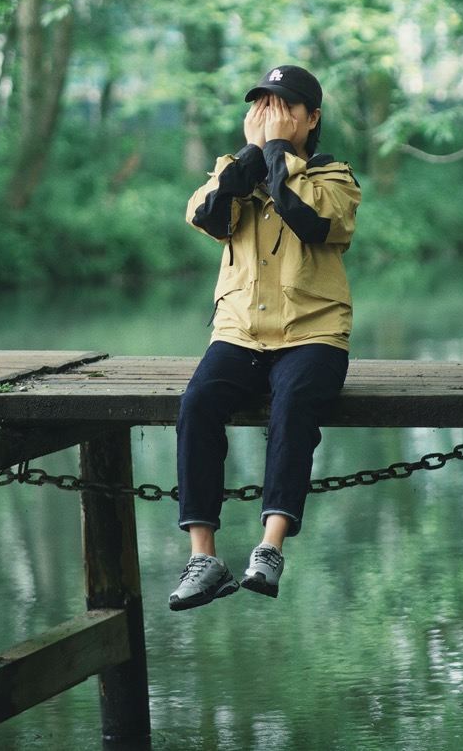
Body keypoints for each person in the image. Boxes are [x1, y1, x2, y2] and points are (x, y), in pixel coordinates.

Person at [169, 64, 361, 611]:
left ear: (312, 118)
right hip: (240, 332)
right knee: (197, 403)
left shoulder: (334, 177)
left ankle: (270, 547)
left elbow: (310, 219)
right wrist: (253, 154)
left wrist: (275, 151)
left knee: (294, 403)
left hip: (313, 333)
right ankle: (203, 558)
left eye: (284, 108)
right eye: (262, 107)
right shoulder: (235, 170)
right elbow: (207, 216)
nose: (271, 116)